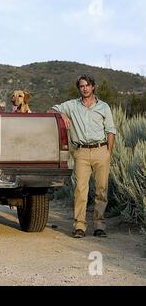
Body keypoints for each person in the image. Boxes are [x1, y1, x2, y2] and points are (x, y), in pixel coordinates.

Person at [49, 74, 116, 238]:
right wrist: (62, 115)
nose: (84, 88)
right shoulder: (72, 105)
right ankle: (79, 226)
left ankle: (99, 225)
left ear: (93, 87)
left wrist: (109, 153)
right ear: (79, 88)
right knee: (80, 190)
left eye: (87, 85)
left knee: (101, 190)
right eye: (81, 86)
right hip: (81, 152)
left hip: (101, 150)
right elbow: (51, 110)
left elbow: (111, 130)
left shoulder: (104, 107)